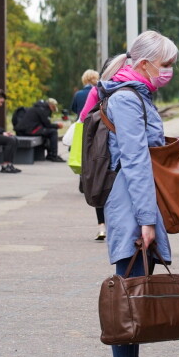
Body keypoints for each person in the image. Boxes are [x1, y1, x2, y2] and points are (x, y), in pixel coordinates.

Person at [98, 30, 179, 357]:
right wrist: (146, 220)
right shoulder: (128, 100)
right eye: (166, 65)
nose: (170, 72)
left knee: (134, 293)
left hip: (134, 204)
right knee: (127, 295)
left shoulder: (133, 94)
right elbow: (135, 162)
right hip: (131, 206)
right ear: (144, 64)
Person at [75, 66, 107, 241]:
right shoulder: (130, 88)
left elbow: (83, 116)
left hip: (99, 142)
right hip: (123, 143)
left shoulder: (97, 90)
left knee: (99, 182)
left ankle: (102, 227)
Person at [14, 97, 65, 162]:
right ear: (51, 106)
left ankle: (50, 154)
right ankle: (53, 155)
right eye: (53, 108)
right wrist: (57, 126)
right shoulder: (43, 110)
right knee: (53, 132)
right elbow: (47, 124)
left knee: (48, 131)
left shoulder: (38, 107)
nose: (52, 111)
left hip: (25, 129)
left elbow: (45, 124)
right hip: (29, 130)